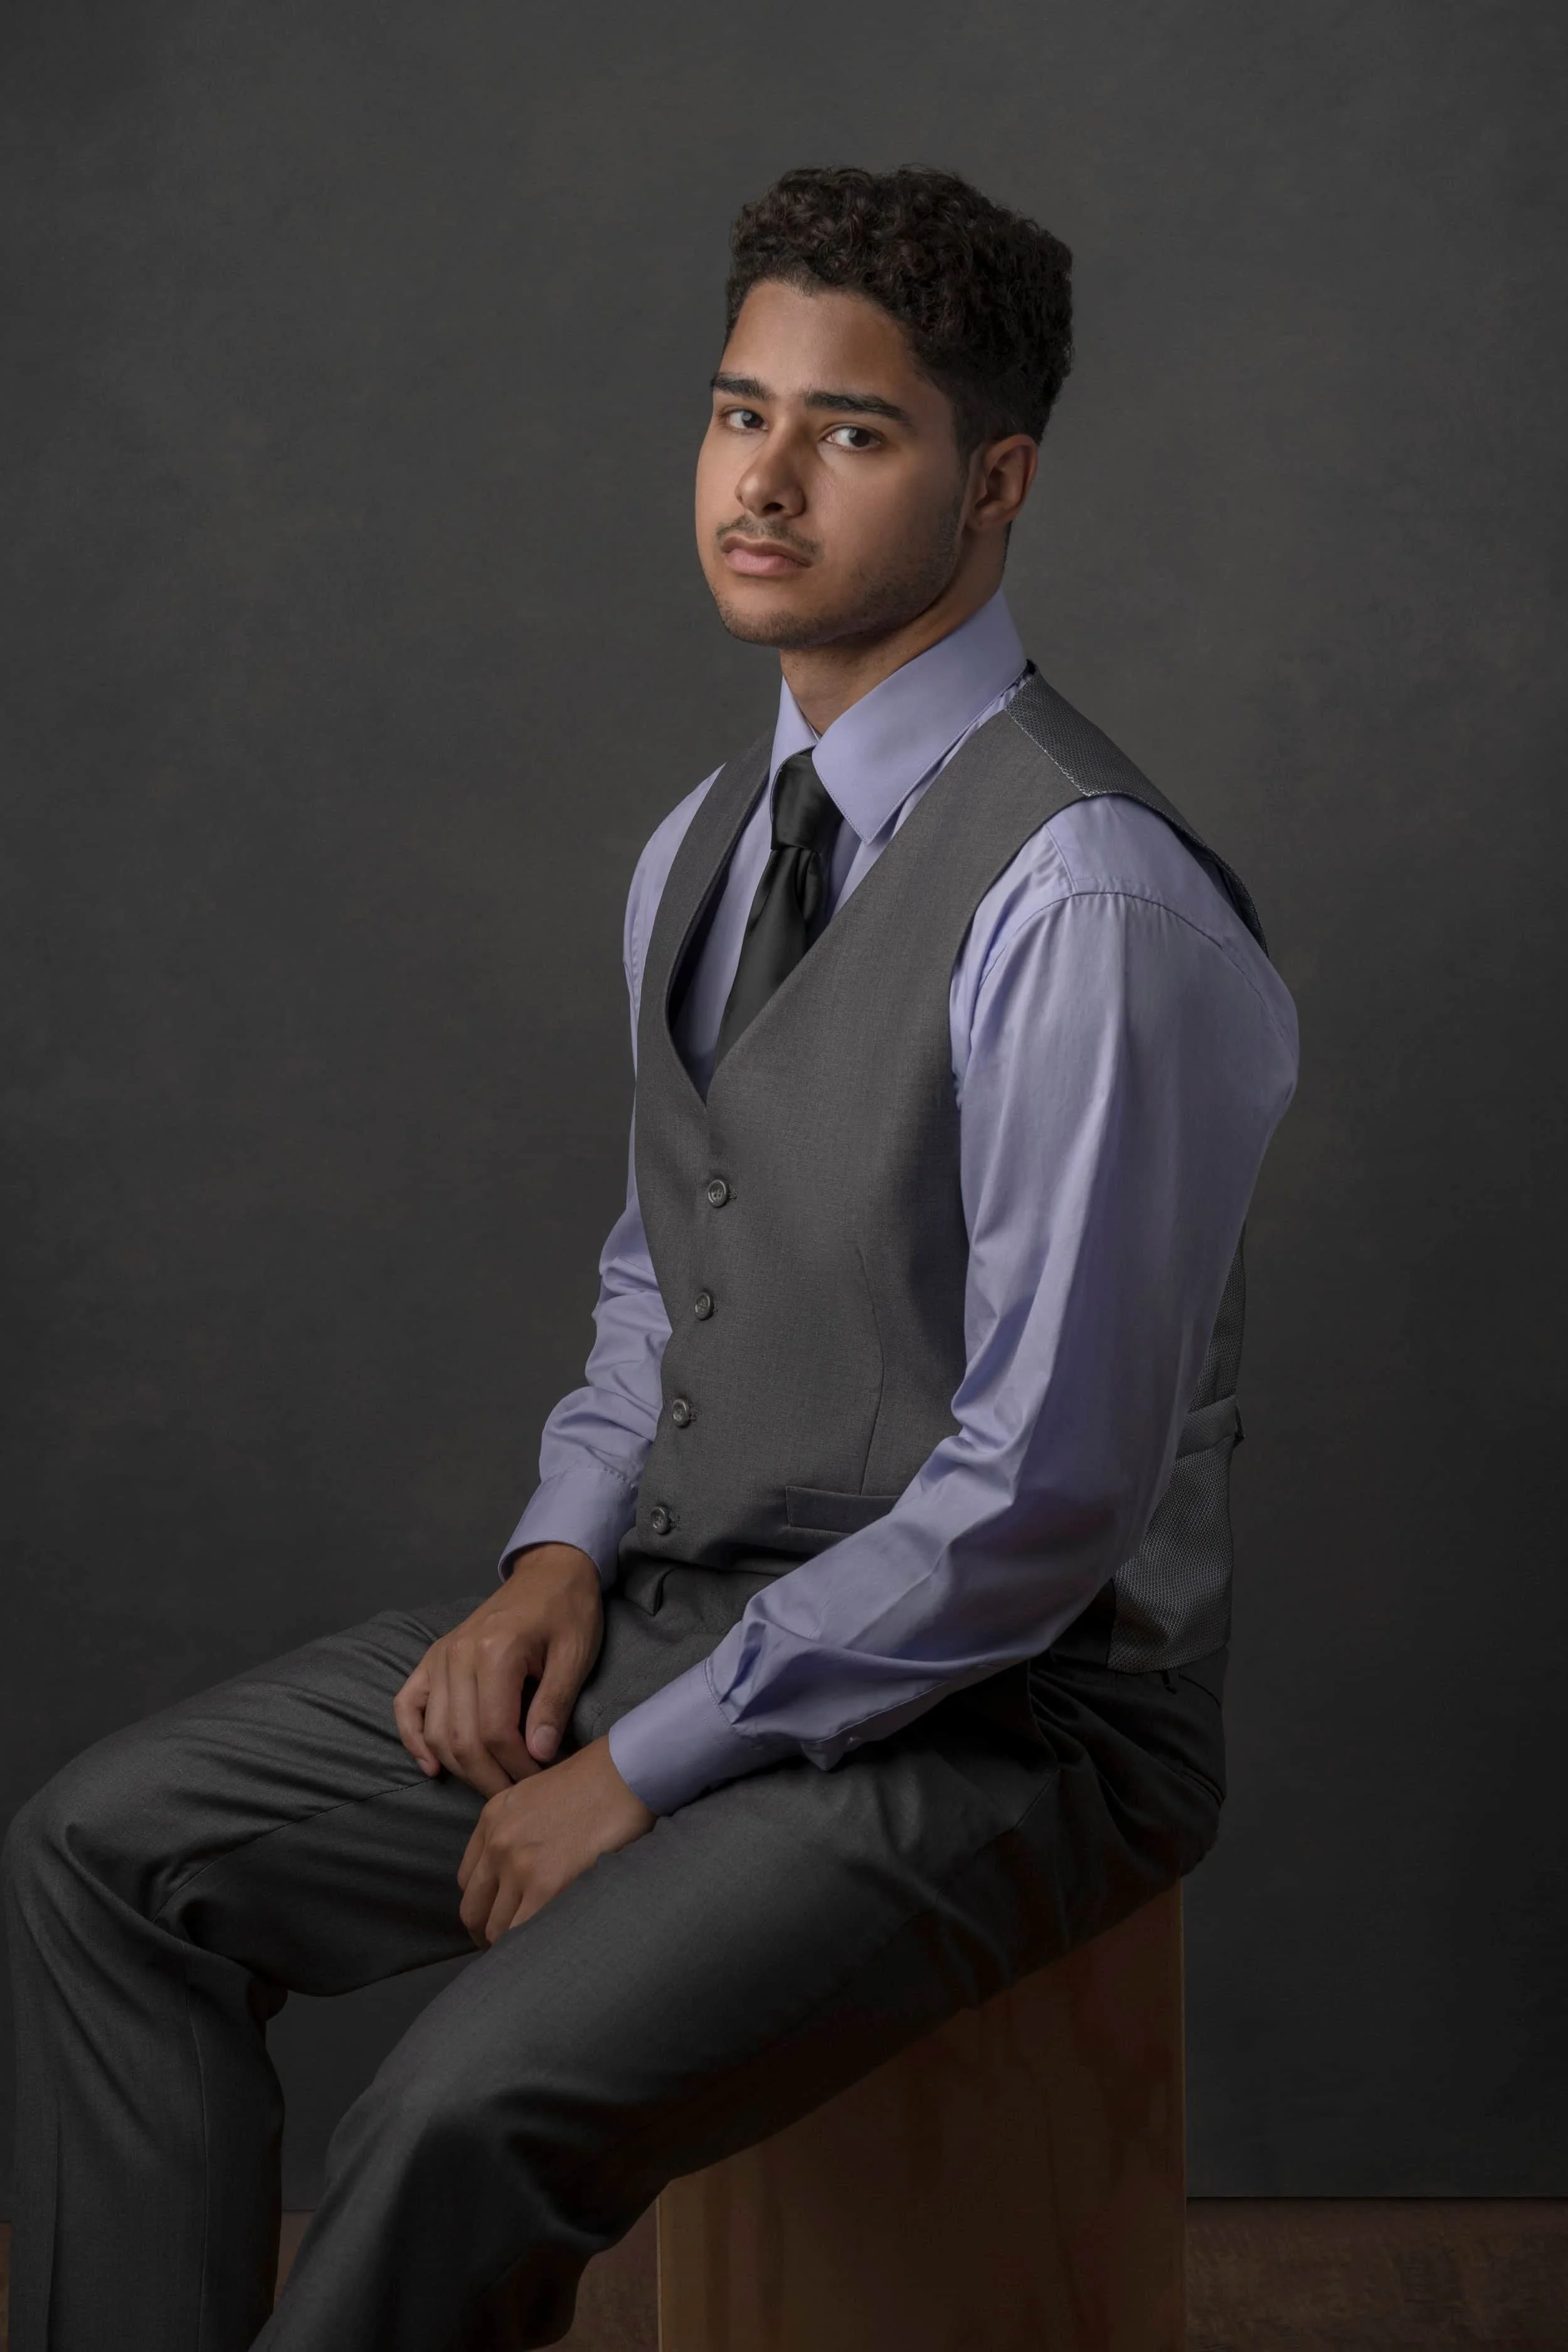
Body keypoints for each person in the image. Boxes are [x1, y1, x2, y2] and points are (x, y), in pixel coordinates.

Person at [3, 165, 1298, 2351]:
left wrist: (652, 1761)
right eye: (734, 412)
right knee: (98, 1855)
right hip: (699, 1612)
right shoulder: (698, 849)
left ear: (995, 483)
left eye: (848, 431)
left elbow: (1050, 1498)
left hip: (1022, 1717)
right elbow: (662, 1261)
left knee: (448, 2113)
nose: (762, 480)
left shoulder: (1087, 901)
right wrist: (553, 1557)